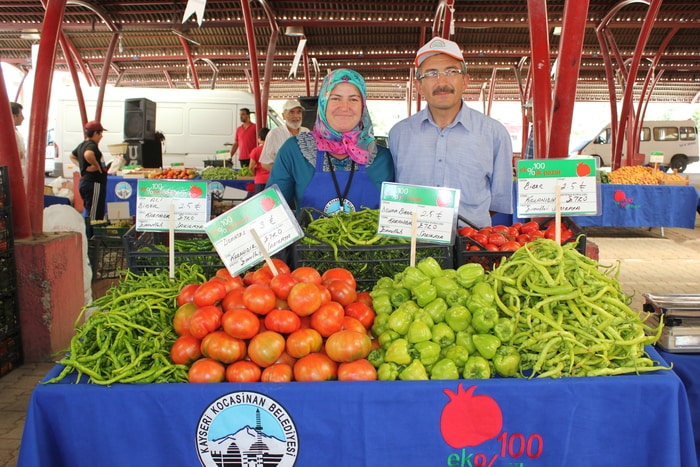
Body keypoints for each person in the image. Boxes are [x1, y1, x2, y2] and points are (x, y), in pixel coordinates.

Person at [388, 36, 513, 228]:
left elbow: (497, 201)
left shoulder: (494, 133)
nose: (442, 82)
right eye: (431, 74)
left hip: (473, 240)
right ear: (419, 86)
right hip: (414, 240)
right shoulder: (399, 134)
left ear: (465, 81)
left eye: (451, 72)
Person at [265, 68, 394, 215]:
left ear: (363, 106)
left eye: (353, 99)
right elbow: (271, 211)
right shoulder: (294, 151)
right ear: (323, 102)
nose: (344, 107)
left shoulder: (383, 159)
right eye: (335, 98)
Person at [70, 120, 108, 237]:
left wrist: (81, 166)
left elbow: (72, 156)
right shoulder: (91, 145)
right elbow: (88, 154)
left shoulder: (82, 144)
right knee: (94, 214)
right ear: (95, 133)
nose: (101, 136)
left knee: (90, 210)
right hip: (94, 183)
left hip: (85, 182)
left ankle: (88, 236)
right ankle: (91, 238)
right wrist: (96, 166)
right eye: (100, 133)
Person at [259, 99, 309, 172]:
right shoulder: (274, 134)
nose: (296, 116)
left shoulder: (306, 132)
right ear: (283, 116)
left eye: (299, 112)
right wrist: (284, 174)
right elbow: (265, 163)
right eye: (291, 112)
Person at [248, 127, 271, 194]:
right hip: (272, 179)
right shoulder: (275, 150)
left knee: (261, 199)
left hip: (260, 180)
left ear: (259, 138)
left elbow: (251, 167)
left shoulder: (255, 151)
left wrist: (255, 174)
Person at [11, 102, 26, 183]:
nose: (23, 118)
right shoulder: (7, 132)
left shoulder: (15, 131)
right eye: (21, 115)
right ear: (14, 116)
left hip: (21, 172)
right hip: (13, 175)